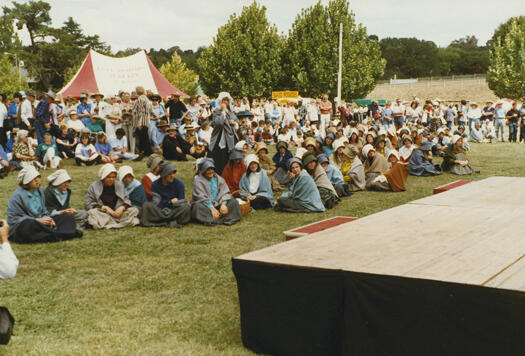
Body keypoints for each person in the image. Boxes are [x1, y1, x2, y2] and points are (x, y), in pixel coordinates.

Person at [7, 166, 81, 243]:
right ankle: (64, 234)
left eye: (38, 178)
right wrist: (37, 220)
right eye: (33, 179)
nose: (37, 181)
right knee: (28, 224)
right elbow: (14, 219)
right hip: (27, 226)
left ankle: (55, 235)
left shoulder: (39, 192)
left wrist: (49, 219)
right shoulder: (17, 196)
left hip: (42, 225)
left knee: (67, 217)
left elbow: (44, 211)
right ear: (26, 182)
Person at [84, 164, 140, 229]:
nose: (111, 179)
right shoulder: (94, 186)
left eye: (113, 177)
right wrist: (104, 207)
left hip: (118, 214)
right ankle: (120, 223)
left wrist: (122, 207)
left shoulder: (119, 185)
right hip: (103, 214)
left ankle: (110, 224)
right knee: (92, 212)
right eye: (108, 177)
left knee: (134, 210)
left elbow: (127, 200)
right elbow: (87, 204)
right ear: (103, 177)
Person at [191, 158, 242, 226]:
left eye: (212, 169)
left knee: (234, 202)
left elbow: (225, 192)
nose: (211, 171)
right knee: (197, 207)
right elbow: (200, 197)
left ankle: (215, 219)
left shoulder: (219, 179)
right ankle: (219, 218)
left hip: (219, 204)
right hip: (206, 206)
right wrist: (212, 208)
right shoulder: (198, 181)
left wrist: (223, 204)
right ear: (203, 171)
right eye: (208, 170)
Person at [141, 162, 191, 228]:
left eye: (173, 173)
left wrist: (173, 203)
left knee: (186, 207)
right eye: (169, 174)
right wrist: (169, 202)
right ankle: (171, 221)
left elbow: (181, 202)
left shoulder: (179, 184)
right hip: (161, 209)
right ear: (164, 175)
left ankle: (161, 221)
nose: (172, 175)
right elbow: (157, 203)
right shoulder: (155, 185)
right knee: (146, 206)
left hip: (175, 209)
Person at [209, 92, 238, 175]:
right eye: (224, 100)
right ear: (220, 101)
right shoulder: (216, 111)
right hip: (218, 138)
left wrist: (234, 123)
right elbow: (218, 123)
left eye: (227, 100)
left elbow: (236, 121)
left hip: (229, 138)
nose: (225, 102)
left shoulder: (231, 111)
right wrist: (223, 112)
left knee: (228, 156)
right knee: (217, 156)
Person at [132, 86, 153, 156]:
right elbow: (149, 111)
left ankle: (146, 152)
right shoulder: (146, 99)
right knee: (144, 137)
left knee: (143, 138)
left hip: (141, 121)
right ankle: (145, 152)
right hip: (146, 121)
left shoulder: (140, 99)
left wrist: (139, 122)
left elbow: (141, 111)